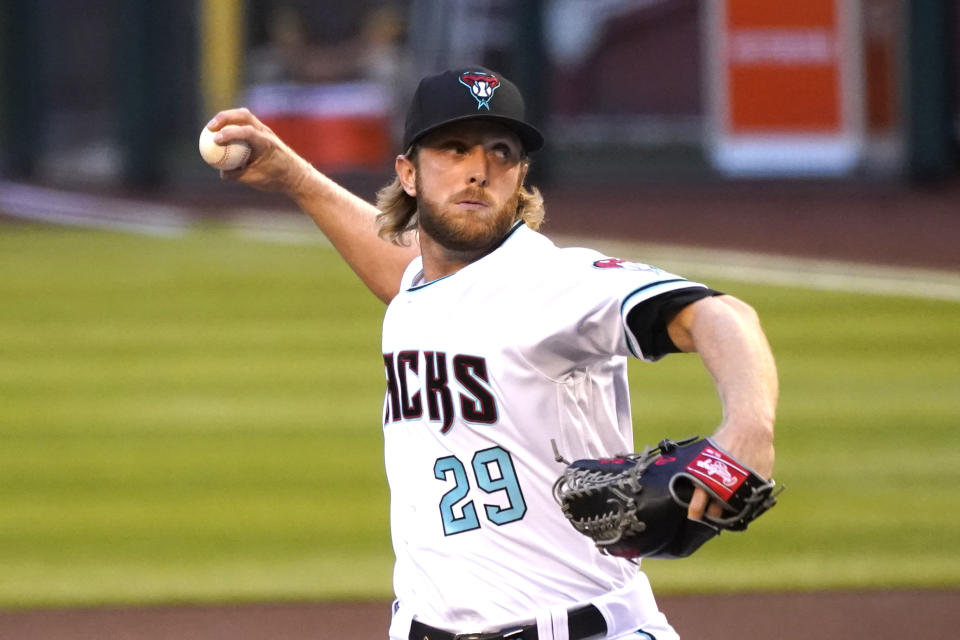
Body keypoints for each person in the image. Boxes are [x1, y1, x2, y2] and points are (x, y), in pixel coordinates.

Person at [206, 66, 777, 640]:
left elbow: (721, 315)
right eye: (453, 150)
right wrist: (295, 176)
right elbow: (407, 271)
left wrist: (749, 427)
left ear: (521, 176)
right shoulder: (420, 288)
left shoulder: (556, 281)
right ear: (408, 173)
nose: (478, 170)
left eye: (500, 154)